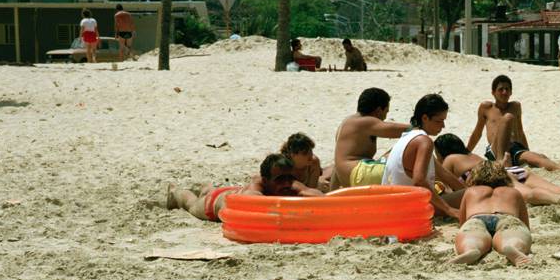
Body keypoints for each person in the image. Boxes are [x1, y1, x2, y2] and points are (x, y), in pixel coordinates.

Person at [435, 134, 560, 206]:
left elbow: (453, 188)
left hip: (494, 174)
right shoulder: (472, 156)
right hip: (514, 170)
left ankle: (559, 200)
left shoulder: (450, 160)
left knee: (529, 195)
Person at [166, 153, 322, 222]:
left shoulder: (289, 183)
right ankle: (175, 192)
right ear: (265, 180)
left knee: (209, 191)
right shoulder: (254, 190)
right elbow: (259, 205)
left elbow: (317, 195)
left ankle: (207, 187)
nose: (287, 183)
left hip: (233, 190)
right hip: (215, 203)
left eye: (290, 178)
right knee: (191, 204)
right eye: (280, 180)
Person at [465, 75, 560, 172]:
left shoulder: (515, 106)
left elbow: (520, 131)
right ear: (493, 92)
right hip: (496, 149)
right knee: (507, 118)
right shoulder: (487, 107)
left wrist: (527, 151)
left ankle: (558, 167)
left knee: (537, 157)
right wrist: (466, 152)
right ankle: (500, 162)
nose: (504, 92)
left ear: (511, 92)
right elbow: (477, 133)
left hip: (513, 147)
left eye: (507, 89)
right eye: (501, 89)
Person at [384, 93, 460, 218]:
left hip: (395, 206)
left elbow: (444, 174)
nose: (443, 126)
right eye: (439, 121)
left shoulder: (408, 137)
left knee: (469, 192)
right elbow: (418, 181)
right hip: (412, 208)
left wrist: (465, 189)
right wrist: (449, 210)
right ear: (425, 118)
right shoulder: (424, 141)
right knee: (472, 195)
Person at [452, 161, 533, 267]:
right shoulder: (513, 192)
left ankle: (471, 249)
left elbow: (462, 221)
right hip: (506, 217)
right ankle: (512, 246)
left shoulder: (471, 191)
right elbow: (524, 223)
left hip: (477, 218)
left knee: (471, 238)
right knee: (514, 236)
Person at [332, 87, 409, 189]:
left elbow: (336, 166)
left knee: (394, 151)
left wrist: (331, 193)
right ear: (378, 110)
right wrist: (422, 126)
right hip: (359, 175)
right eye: (386, 112)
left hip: (349, 177)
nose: (385, 117)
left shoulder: (348, 122)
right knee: (407, 148)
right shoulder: (366, 121)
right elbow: (398, 130)